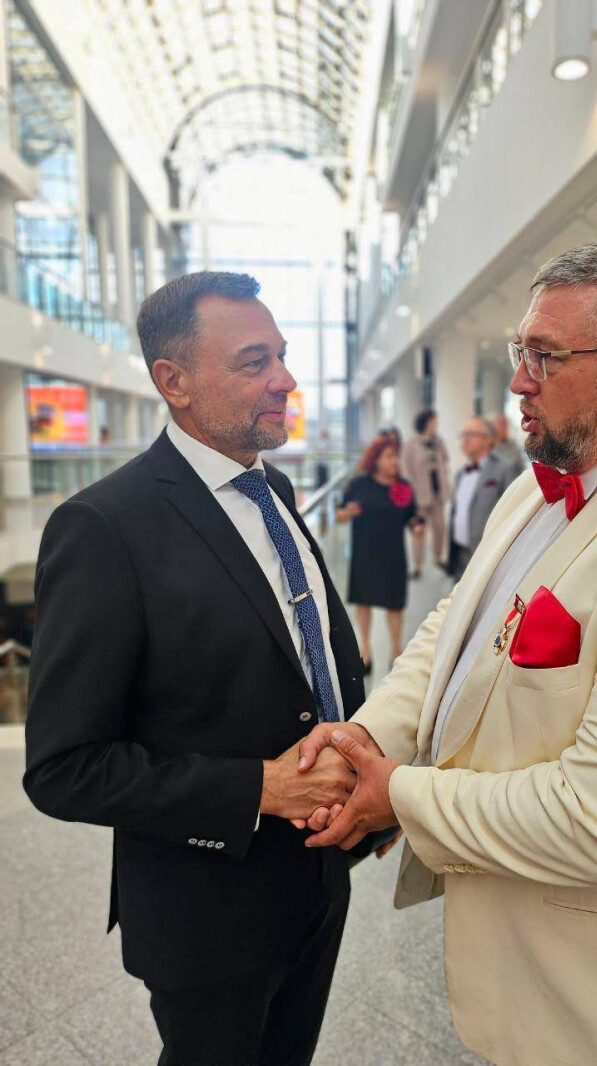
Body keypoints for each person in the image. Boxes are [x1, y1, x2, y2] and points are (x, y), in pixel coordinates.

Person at [296, 239, 597, 1066]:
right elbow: (454, 627)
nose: (518, 383)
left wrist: (400, 795)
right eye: (518, 351)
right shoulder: (536, 486)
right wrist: (370, 738)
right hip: (519, 960)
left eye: (545, 357)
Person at [23, 271, 365, 1066]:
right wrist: (260, 789)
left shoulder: (272, 489)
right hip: (208, 914)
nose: (285, 379)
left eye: (282, 355)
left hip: (318, 881)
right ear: (173, 382)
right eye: (254, 362)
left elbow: (307, 662)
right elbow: (63, 770)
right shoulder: (104, 526)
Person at [337, 436, 424, 673]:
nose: (394, 461)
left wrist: (417, 525)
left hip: (393, 554)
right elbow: (340, 515)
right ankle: (365, 650)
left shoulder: (403, 486)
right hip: (364, 552)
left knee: (395, 603)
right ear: (375, 460)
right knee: (363, 600)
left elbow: (411, 516)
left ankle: (396, 650)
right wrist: (348, 512)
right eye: (389, 456)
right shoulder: (358, 484)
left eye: (396, 456)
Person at [449, 416, 516, 580]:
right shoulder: (460, 474)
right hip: (460, 555)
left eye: (471, 434)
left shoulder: (505, 469)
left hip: (486, 556)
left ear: (488, 439)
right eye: (463, 434)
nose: (465, 439)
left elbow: (513, 513)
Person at [402, 408, 451, 577]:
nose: (436, 424)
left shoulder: (438, 441)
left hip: (437, 494)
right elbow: (406, 469)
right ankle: (417, 566)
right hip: (419, 497)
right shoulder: (411, 444)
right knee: (418, 532)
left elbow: (445, 460)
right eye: (433, 421)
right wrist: (411, 493)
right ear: (426, 422)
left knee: (440, 528)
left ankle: (438, 558)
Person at [490, 410, 525, 477]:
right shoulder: (487, 445)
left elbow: (521, 467)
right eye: (501, 425)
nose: (504, 428)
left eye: (505, 425)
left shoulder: (513, 445)